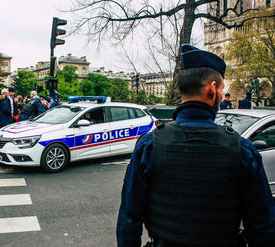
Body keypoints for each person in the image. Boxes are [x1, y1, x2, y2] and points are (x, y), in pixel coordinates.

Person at [116, 44, 275, 247]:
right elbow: (263, 228)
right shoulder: (242, 151)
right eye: (222, 89)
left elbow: (129, 221)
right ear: (212, 88)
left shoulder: (149, 146)